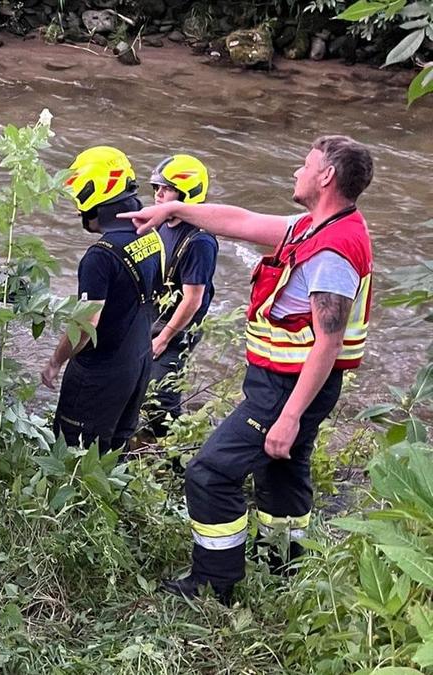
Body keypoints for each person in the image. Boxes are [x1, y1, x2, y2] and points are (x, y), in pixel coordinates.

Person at [120, 135, 374, 603]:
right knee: (282, 468)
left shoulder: (334, 250)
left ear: (326, 177)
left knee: (209, 473)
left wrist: (290, 415)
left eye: (305, 164)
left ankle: (215, 582)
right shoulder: (313, 226)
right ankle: (282, 564)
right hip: (285, 383)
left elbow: (328, 341)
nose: (296, 171)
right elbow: (242, 221)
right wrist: (172, 211)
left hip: (289, 387)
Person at [40, 146, 164, 455]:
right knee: (112, 456)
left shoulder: (100, 256)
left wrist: (55, 361)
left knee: (73, 457)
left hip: (99, 375)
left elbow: (85, 324)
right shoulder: (152, 235)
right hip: (137, 364)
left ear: (94, 198)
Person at [142, 154, 219, 437]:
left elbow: (193, 299)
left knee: (161, 398)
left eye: (167, 189)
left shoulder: (199, 241)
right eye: (156, 188)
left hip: (177, 328)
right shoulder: (163, 223)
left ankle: (174, 459)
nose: (158, 194)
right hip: (154, 315)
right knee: (138, 383)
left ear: (187, 194)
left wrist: (164, 338)